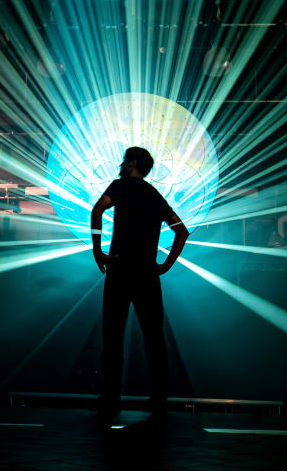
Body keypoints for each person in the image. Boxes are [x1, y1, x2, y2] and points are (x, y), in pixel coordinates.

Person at [90, 146, 189, 422]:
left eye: (125, 159)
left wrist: (97, 249)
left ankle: (110, 399)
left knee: (112, 338)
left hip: (120, 270)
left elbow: (97, 210)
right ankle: (159, 401)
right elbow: (182, 232)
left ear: (132, 163)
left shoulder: (120, 186)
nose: (121, 164)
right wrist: (165, 265)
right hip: (147, 274)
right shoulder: (154, 195)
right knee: (154, 340)